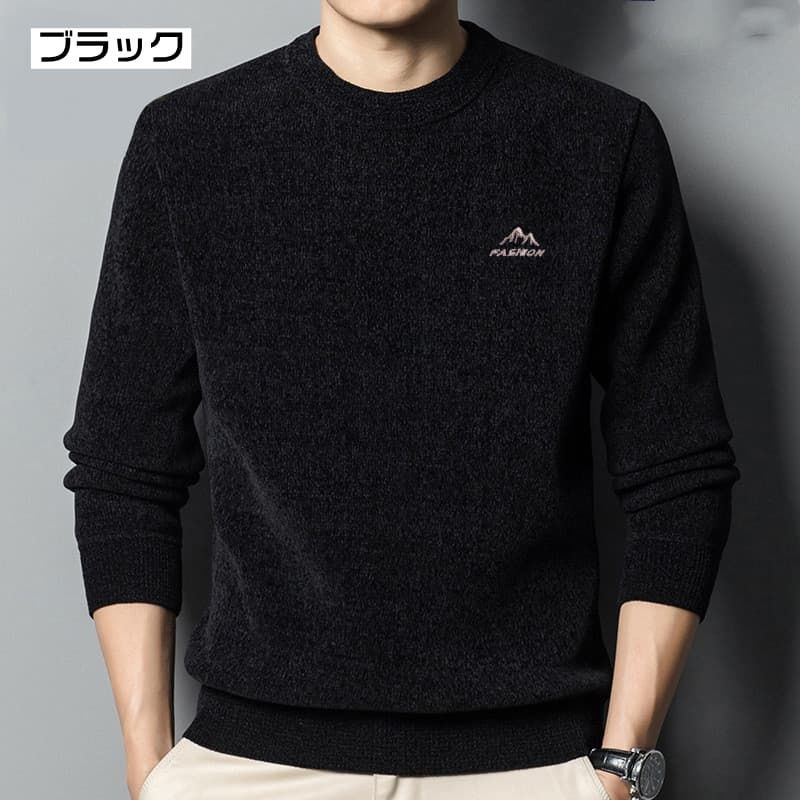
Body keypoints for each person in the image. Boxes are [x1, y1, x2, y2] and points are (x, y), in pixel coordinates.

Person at [61, 2, 741, 799]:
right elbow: (123, 466)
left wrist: (620, 766)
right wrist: (148, 765)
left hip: (532, 767)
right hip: (251, 762)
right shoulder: (190, 139)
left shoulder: (598, 136)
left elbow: (679, 470)